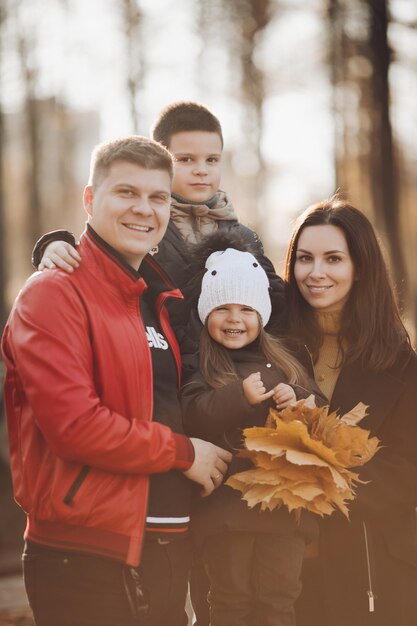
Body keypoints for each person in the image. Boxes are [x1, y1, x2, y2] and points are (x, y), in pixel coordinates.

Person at [1, 135, 231, 626]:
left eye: (158, 196)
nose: (144, 209)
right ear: (90, 199)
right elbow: (75, 427)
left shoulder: (159, 299)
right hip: (87, 558)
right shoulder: (53, 294)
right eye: (126, 193)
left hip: (167, 550)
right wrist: (184, 452)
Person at [31, 101, 285, 346]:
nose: (201, 170)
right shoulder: (143, 227)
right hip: (160, 360)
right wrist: (55, 244)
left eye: (211, 160)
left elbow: (277, 301)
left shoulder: (243, 236)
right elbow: (100, 252)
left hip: (226, 367)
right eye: (185, 159)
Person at [284, 195, 417, 626]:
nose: (316, 272)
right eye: (305, 258)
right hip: (284, 571)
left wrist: (318, 480)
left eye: (333, 258)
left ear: (360, 267)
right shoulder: (273, 346)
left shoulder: (398, 361)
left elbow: (407, 470)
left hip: (370, 571)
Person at [180, 236, 322, 626]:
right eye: (222, 308)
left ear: (262, 314)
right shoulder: (202, 366)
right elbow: (192, 415)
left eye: (246, 309)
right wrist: (237, 397)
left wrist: (299, 399)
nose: (234, 319)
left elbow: (323, 412)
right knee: (230, 600)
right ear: (205, 312)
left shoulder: (286, 361)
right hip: (225, 511)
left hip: (283, 508)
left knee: (278, 600)